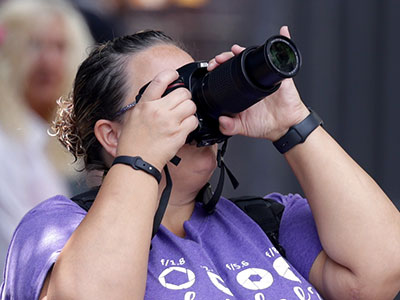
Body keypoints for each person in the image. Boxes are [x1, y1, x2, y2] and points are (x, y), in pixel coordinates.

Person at [1, 27, 400, 300]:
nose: (193, 107)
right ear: (112, 135)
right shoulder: (57, 229)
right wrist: (140, 160)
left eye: (195, 84)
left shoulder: (269, 222)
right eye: (171, 95)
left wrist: (292, 124)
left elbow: (382, 271)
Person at [0, 0, 93, 271]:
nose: (48, 60)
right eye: (34, 45)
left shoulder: (53, 141)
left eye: (60, 47)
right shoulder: (7, 146)